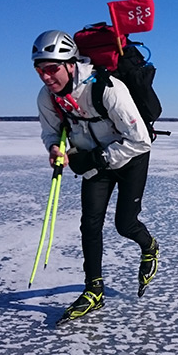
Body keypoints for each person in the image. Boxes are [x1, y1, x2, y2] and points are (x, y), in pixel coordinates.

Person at [32, 30, 159, 323]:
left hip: (131, 157)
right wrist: (55, 148)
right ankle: (94, 290)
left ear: (70, 63)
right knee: (89, 225)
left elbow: (140, 140)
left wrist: (100, 159)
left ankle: (149, 246)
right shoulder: (46, 97)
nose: (46, 77)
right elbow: (51, 131)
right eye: (40, 71)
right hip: (94, 159)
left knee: (125, 224)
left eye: (52, 69)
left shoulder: (108, 89)